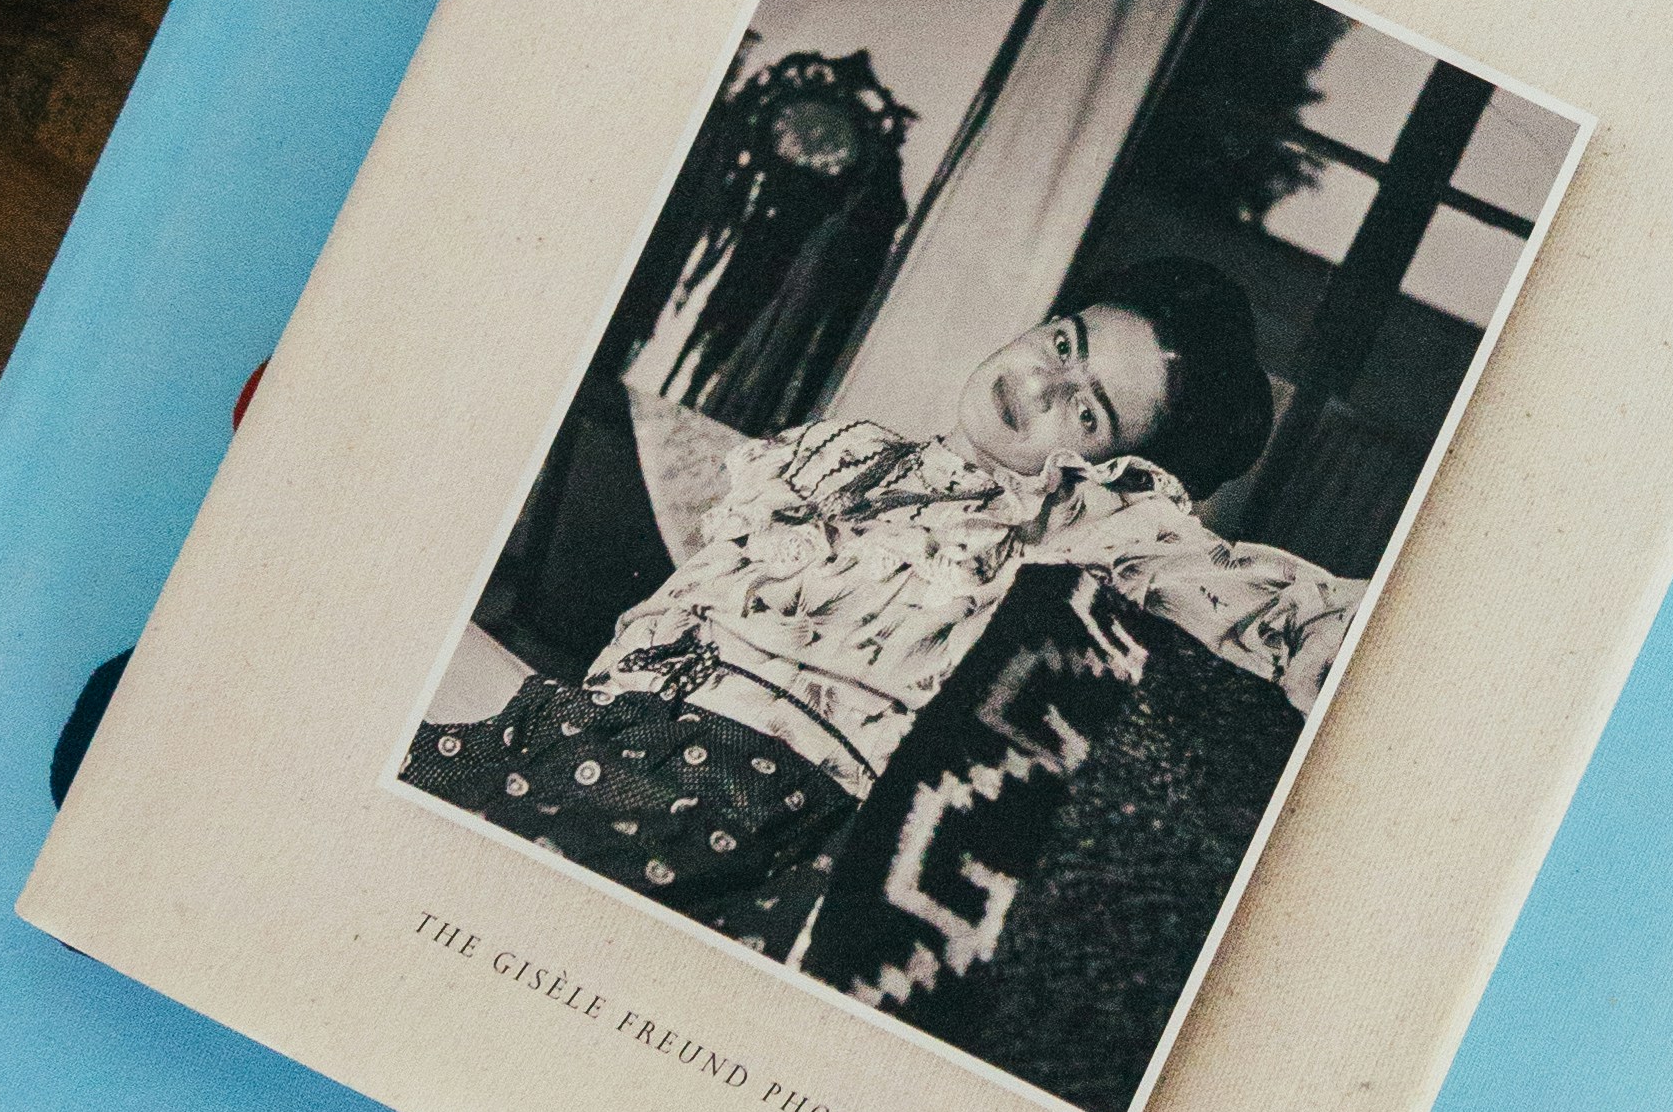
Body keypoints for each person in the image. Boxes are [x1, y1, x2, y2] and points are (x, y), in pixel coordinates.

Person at [401, 258, 1360, 969]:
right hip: (580, 729)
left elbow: (1229, 581)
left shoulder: (1070, 524)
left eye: (1090, 411)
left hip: (739, 801)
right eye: (1063, 342)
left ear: (1113, 467)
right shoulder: (834, 448)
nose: (1039, 382)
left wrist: (1312, 633)